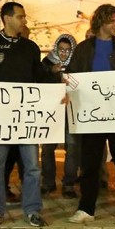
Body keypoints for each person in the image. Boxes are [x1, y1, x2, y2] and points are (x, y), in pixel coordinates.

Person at [0, 1, 49, 228]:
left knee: (33, 167)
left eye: (24, 17)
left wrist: (57, 90)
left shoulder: (31, 48)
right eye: (21, 17)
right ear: (7, 18)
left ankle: (32, 210)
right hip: (0, 120)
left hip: (27, 119)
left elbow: (40, 78)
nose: (25, 20)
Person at [66, 3, 115, 226]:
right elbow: (72, 75)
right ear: (100, 22)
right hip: (91, 117)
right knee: (89, 164)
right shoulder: (83, 49)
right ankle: (86, 208)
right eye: (112, 21)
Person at [40, 33, 79, 197]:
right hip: (51, 112)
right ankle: (48, 182)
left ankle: (68, 183)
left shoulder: (77, 64)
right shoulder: (46, 63)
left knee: (72, 146)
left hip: (70, 111)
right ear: (56, 48)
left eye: (67, 50)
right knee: (48, 147)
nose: (63, 53)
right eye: (61, 49)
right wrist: (51, 71)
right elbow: (38, 79)